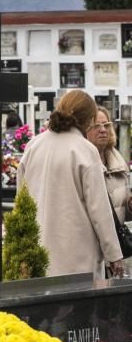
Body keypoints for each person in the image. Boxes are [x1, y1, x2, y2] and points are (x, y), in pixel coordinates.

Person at [18, 90, 125, 279]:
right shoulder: (84, 150)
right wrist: (114, 255)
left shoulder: (33, 146)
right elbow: (99, 211)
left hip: (38, 249)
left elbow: (21, 200)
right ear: (88, 120)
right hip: (77, 256)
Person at [89, 107, 132, 225]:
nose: (103, 130)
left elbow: (124, 213)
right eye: (96, 126)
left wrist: (130, 205)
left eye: (106, 125)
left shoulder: (119, 164)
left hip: (117, 240)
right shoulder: (82, 164)